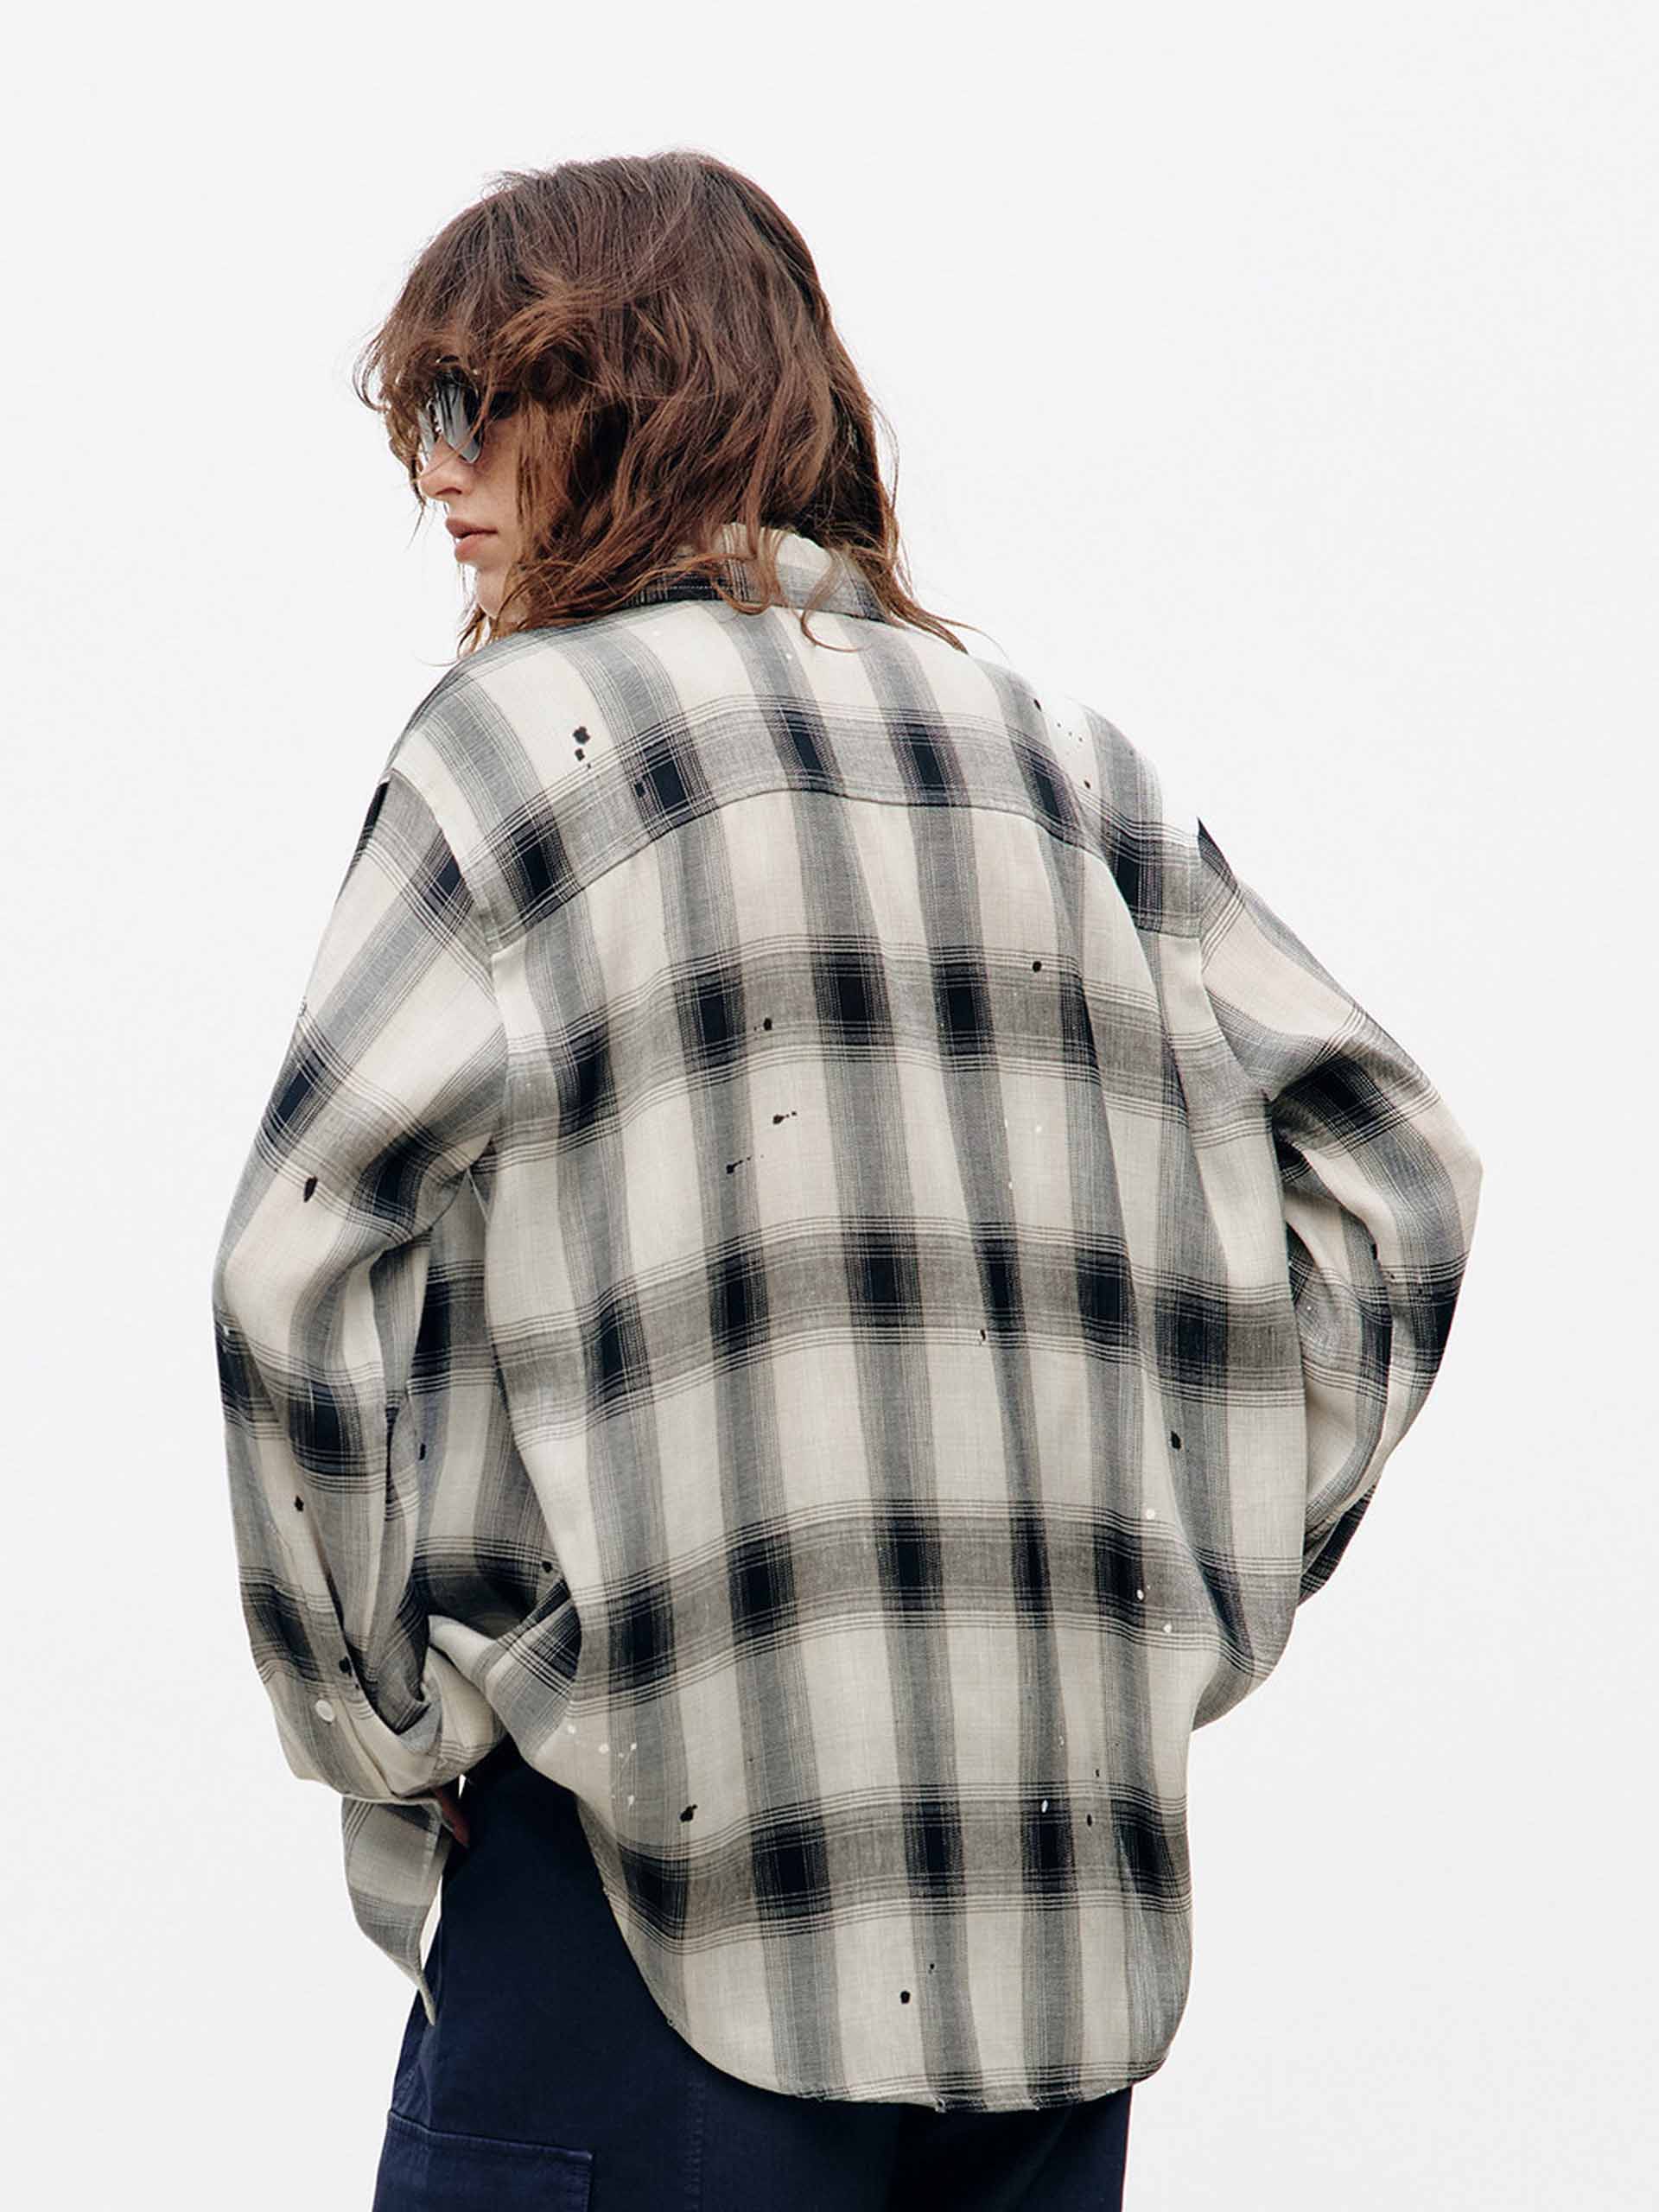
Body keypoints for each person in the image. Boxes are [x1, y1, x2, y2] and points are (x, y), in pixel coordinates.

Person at [209, 150, 1484, 2211]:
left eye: (477, 400)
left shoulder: (516, 751)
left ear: (632, 391)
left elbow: (296, 1271)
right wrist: (1162, 1595)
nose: (434, 469)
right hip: (1050, 1924)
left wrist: (390, 1723)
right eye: (419, 413)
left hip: (648, 1889)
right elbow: (1394, 1173)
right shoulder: (1062, 763)